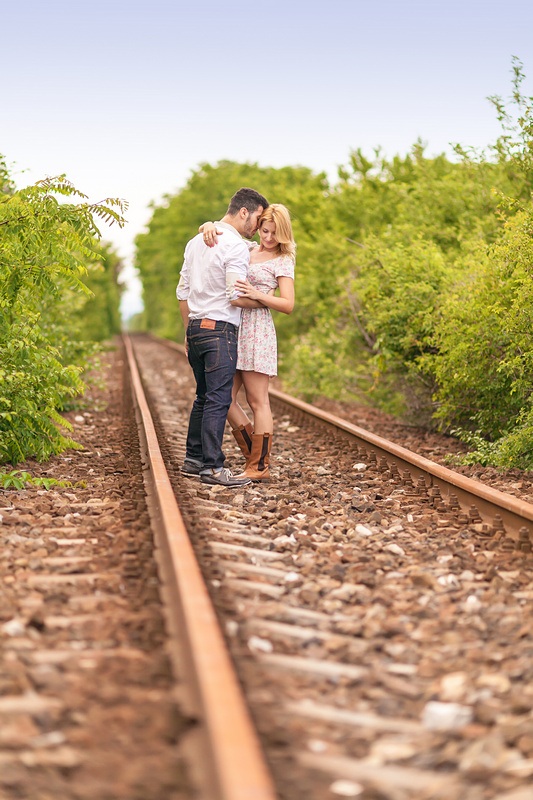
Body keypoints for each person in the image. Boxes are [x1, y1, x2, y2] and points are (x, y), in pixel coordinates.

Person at [176, 187, 269, 488]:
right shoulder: (235, 247)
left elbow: (182, 292)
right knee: (217, 398)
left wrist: (188, 330)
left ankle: (194, 458)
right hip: (219, 331)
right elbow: (234, 296)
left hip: (195, 327)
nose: (256, 227)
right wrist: (264, 300)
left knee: (204, 396)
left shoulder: (195, 242)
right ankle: (213, 467)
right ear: (244, 212)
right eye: (256, 218)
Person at [201, 203, 295, 482]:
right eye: (264, 231)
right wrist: (207, 225)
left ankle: (259, 465)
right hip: (234, 326)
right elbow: (221, 231)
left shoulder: (283, 259)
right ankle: (253, 453)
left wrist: (258, 293)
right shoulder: (246, 248)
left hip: (258, 331)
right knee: (224, 398)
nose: (267, 238)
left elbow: (288, 304)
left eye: (274, 234)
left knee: (257, 400)